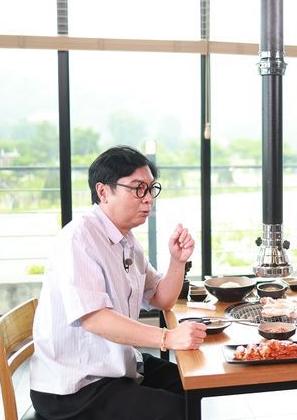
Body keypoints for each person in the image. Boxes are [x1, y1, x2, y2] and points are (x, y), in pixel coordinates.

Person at [29, 145, 207, 420]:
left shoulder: (126, 241)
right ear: (103, 192)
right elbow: (95, 319)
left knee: (200, 391)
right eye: (138, 189)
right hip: (74, 387)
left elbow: (162, 299)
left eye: (151, 189)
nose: (148, 199)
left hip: (116, 365)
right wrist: (168, 337)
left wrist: (177, 261)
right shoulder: (79, 238)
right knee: (180, 411)